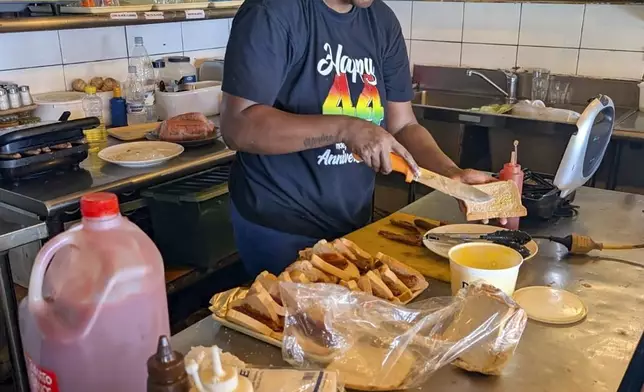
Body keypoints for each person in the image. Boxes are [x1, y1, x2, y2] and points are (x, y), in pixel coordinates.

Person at [221, 0, 497, 276]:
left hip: (352, 223)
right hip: (279, 225)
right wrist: (346, 128)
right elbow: (239, 126)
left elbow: (403, 125)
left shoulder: (381, 21)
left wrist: (450, 174)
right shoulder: (273, 12)